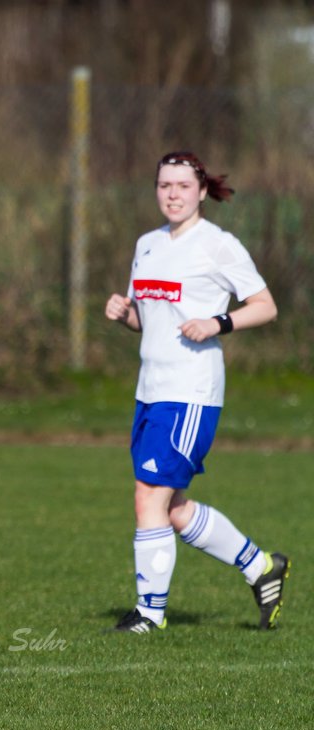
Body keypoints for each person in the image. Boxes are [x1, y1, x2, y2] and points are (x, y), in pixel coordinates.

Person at [105, 150, 290, 633]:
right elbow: (147, 321)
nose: (173, 194)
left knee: (148, 496)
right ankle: (262, 567)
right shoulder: (147, 244)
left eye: (183, 186)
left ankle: (149, 614)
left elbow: (265, 306)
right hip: (150, 389)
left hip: (190, 392)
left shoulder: (218, 245)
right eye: (165, 185)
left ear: (202, 191)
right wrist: (124, 314)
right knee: (175, 509)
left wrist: (218, 322)